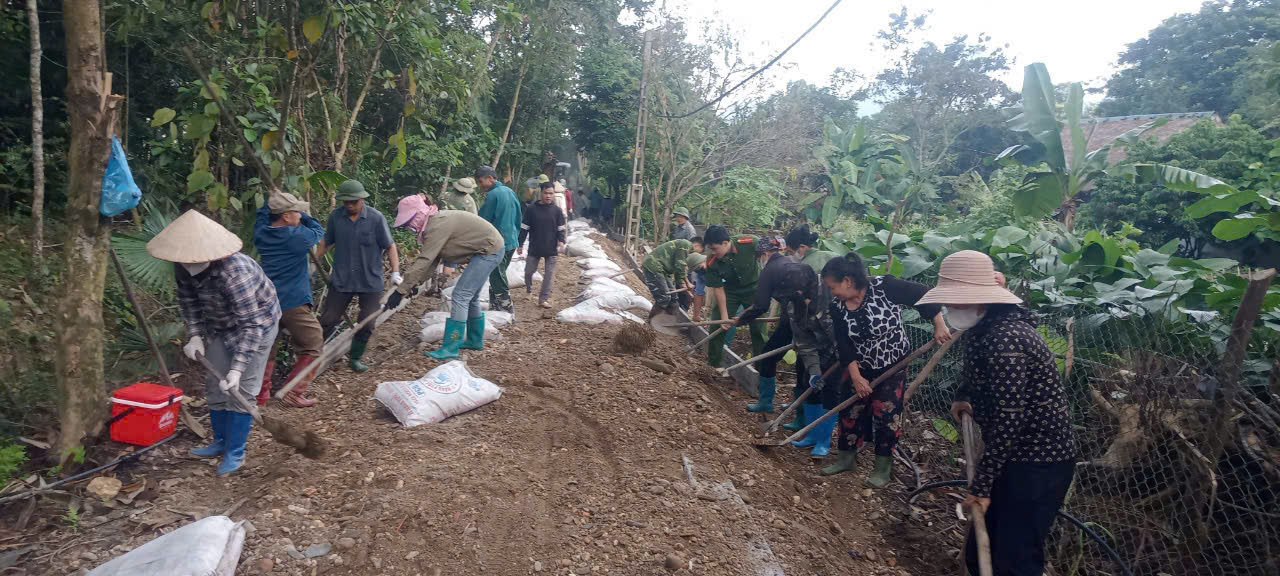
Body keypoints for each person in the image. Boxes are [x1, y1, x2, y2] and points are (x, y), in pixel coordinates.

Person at [916, 251, 1075, 576]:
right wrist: (963, 396)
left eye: (956, 302)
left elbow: (1009, 418)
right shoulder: (986, 327)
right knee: (982, 545)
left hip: (1037, 462)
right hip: (1011, 455)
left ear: (980, 300)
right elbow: (974, 369)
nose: (951, 309)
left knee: (1013, 556)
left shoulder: (1007, 339)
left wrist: (982, 486)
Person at [150, 210, 280, 477]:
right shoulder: (182, 265)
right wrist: (195, 335)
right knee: (214, 384)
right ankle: (220, 442)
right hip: (219, 324)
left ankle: (235, 451)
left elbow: (251, 325)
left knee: (240, 388)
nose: (187, 264)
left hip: (258, 324)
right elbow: (189, 302)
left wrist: (237, 369)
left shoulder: (236, 273)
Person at [816, 252, 951, 480]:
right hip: (860, 365)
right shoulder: (838, 307)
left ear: (847, 281)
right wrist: (857, 377)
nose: (832, 292)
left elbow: (923, 294)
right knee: (850, 410)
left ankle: (882, 469)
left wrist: (939, 323)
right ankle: (846, 459)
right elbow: (844, 344)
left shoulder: (884, 286)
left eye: (832, 287)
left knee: (887, 413)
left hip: (893, 365)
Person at [390, 201, 505, 359]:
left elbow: (425, 259)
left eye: (409, 224)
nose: (409, 228)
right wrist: (414, 285)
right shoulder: (436, 223)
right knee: (470, 298)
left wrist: (401, 290)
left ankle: (451, 347)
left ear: (418, 216)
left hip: (488, 251)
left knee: (460, 296)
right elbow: (432, 261)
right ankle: (474, 340)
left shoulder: (436, 226)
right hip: (491, 248)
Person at [315, 180, 401, 373]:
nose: (350, 205)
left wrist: (395, 272)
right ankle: (311, 357)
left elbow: (390, 245)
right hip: (342, 279)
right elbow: (326, 242)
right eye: (346, 202)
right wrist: (313, 262)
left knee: (368, 322)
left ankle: (354, 358)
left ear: (362, 199)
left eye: (353, 202)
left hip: (370, 280)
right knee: (328, 319)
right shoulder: (336, 217)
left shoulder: (376, 218)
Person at [253, 192, 325, 408]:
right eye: (296, 211)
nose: (300, 214)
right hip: (292, 301)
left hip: (266, 301)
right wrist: (306, 217)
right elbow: (318, 230)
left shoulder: (261, 233)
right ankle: (294, 392)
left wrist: (273, 201)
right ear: (285, 216)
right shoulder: (298, 237)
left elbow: (262, 213)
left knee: (268, 347)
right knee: (313, 343)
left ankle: (260, 397)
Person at [731, 236, 794, 413]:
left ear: (765, 253)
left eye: (760, 257)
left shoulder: (770, 269)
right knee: (806, 362)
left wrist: (740, 319)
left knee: (767, 357)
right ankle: (799, 413)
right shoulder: (792, 264)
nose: (760, 260)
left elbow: (760, 306)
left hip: (792, 319)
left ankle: (765, 402)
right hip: (807, 318)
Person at [703, 225, 767, 367]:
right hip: (730, 292)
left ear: (725, 243)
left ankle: (761, 369)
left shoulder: (750, 242)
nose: (712, 252)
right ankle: (713, 365)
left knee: (759, 329)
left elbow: (766, 254)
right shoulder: (712, 261)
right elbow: (718, 289)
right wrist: (725, 317)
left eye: (714, 249)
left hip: (754, 289)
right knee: (717, 324)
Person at [476, 165, 522, 315]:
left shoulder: (493, 195)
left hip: (498, 242)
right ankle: (495, 307)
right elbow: (518, 217)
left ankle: (506, 309)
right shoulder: (510, 192)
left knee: (497, 275)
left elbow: (483, 221)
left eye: (481, 181)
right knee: (498, 274)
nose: (480, 185)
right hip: (511, 240)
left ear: (490, 178)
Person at [518, 181, 567, 308]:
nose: (548, 196)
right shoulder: (531, 210)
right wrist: (520, 244)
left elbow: (561, 228)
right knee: (529, 271)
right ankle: (529, 288)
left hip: (551, 248)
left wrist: (561, 240)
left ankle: (543, 299)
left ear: (554, 194)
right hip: (535, 247)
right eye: (546, 193)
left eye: (551, 193)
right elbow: (524, 228)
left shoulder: (557, 211)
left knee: (549, 275)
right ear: (541, 193)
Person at [641, 237, 701, 316]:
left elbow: (678, 271)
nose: (697, 254)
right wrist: (688, 283)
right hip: (654, 266)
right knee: (664, 297)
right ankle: (652, 321)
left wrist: (685, 287)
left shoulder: (685, 249)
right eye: (700, 251)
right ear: (697, 246)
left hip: (664, 270)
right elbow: (680, 266)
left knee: (673, 298)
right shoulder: (685, 245)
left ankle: (671, 319)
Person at [687, 248, 708, 322]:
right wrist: (696, 316)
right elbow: (699, 293)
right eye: (696, 269)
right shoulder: (700, 272)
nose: (699, 270)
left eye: (699, 267)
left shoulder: (716, 265)